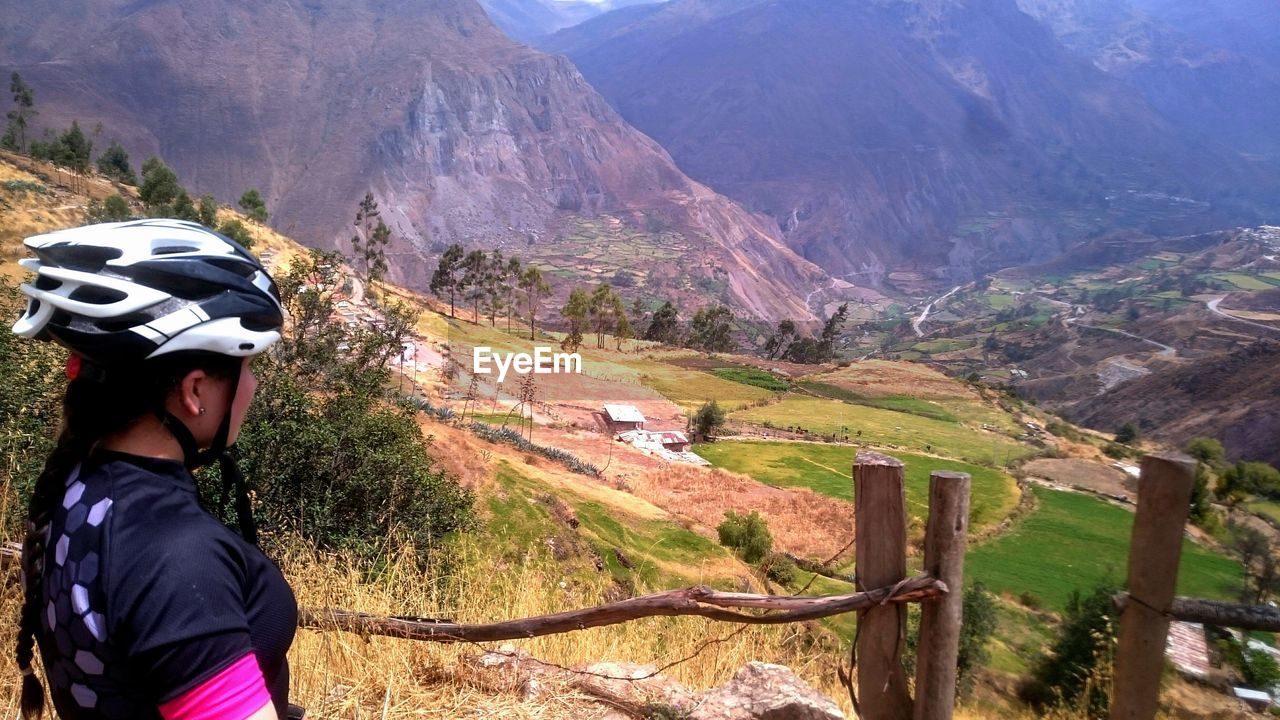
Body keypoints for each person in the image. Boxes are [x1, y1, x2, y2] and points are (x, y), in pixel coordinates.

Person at [10, 219, 297, 719]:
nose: (252, 386)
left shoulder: (82, 484)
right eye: (248, 365)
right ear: (194, 391)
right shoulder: (177, 557)